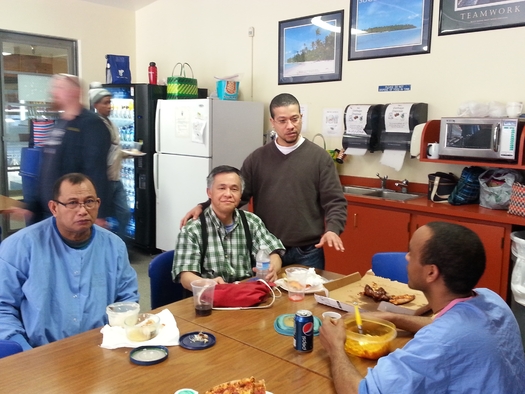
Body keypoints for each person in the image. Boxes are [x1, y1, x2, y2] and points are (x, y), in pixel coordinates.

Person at [319, 221, 525, 394]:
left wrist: (335, 346)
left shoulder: (438, 343)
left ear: (431, 273)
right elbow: (442, 325)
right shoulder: (491, 298)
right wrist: (392, 317)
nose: (406, 257)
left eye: (411, 253)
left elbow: (361, 391)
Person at [181, 93, 347, 269]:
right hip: (266, 249)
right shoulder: (257, 159)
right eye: (282, 121)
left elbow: (335, 201)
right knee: (266, 296)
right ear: (272, 122)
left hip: (307, 251)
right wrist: (204, 206)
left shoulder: (319, 158)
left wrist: (332, 229)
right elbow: (237, 195)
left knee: (308, 296)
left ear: (301, 117)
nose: (290, 126)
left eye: (295, 119)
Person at [0, 173, 139, 350]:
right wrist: (23, 352)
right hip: (40, 354)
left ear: (98, 204)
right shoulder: (20, 246)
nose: (82, 210)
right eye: (72, 203)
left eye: (89, 202)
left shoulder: (114, 246)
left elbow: (127, 298)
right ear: (54, 208)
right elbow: (3, 308)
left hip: (102, 349)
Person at [173, 165, 285, 290]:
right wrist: (208, 284)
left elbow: (273, 251)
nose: (228, 194)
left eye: (234, 189)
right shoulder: (192, 229)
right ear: (209, 192)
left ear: (241, 194)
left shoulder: (251, 221)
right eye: (221, 188)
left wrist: (272, 267)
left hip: (246, 294)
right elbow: (185, 276)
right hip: (210, 297)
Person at [34, 74, 111, 227]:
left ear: (74, 92)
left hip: (74, 215)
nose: (53, 92)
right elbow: (48, 168)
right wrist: (32, 206)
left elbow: (96, 171)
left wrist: (98, 215)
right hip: (52, 211)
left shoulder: (91, 125)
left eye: (59, 88)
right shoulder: (61, 123)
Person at [89, 83, 130, 239]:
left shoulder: (111, 123)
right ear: (96, 104)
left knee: (124, 212)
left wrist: (126, 154)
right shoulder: (95, 125)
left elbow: (113, 149)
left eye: (109, 102)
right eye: (105, 103)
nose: (109, 106)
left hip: (115, 177)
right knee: (102, 217)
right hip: (103, 180)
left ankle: (121, 244)